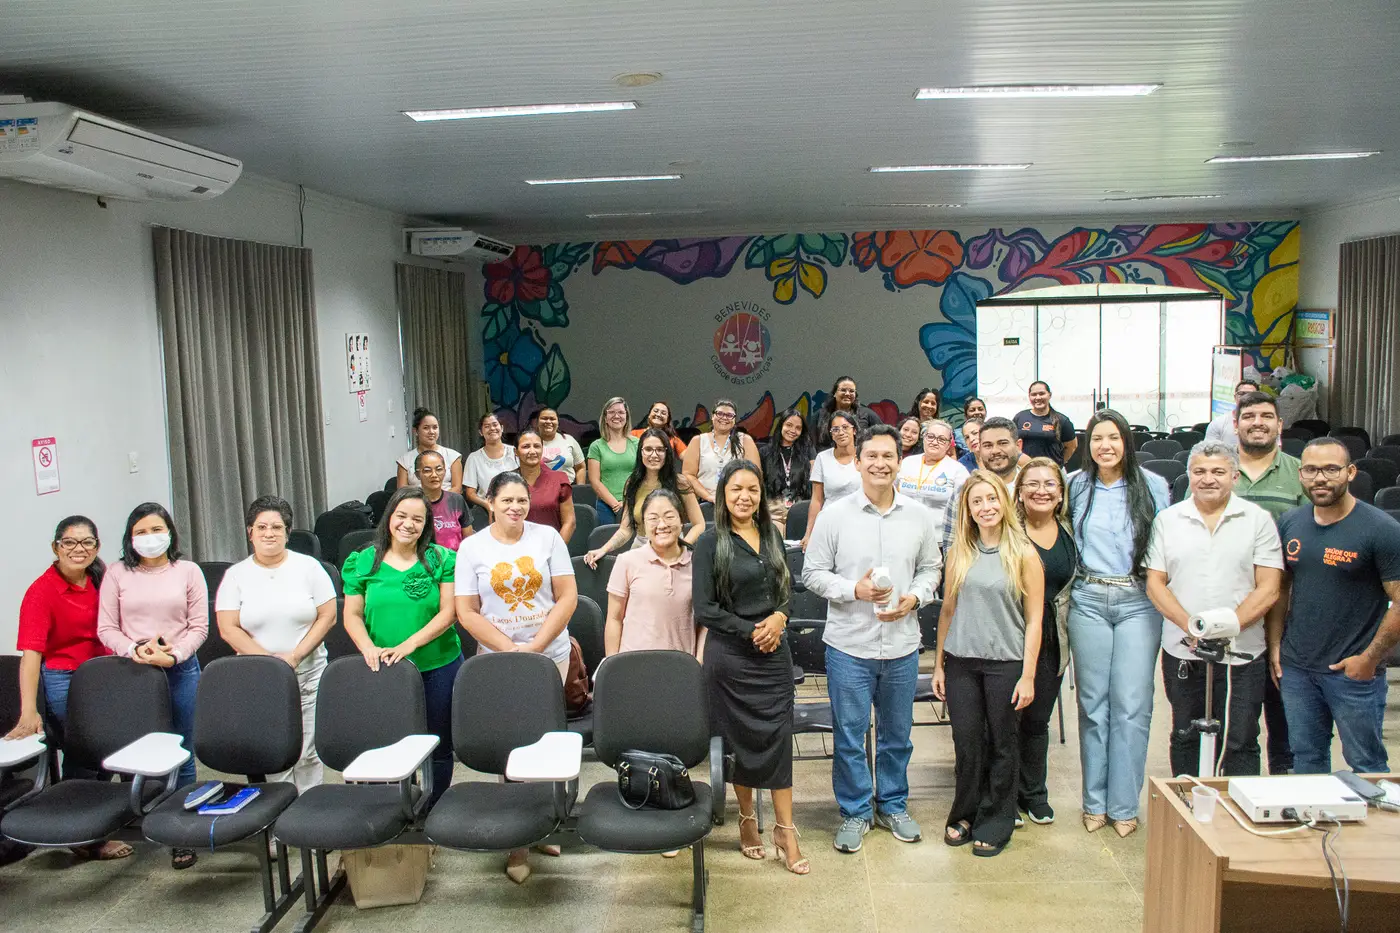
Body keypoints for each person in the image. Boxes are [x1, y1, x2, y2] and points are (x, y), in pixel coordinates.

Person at [803, 424, 941, 853]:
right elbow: (812, 573)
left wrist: (915, 598)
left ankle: (893, 804)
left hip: (902, 646)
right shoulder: (834, 515)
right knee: (849, 736)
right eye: (872, 456)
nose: (880, 464)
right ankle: (856, 811)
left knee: (897, 736)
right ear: (858, 462)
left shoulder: (918, 516)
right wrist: (853, 591)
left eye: (888, 456)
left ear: (900, 462)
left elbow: (931, 569)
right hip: (850, 646)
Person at [455, 471, 577, 884]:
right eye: (506, 500)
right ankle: (517, 843)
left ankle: (547, 824)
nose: (515, 507)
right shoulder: (472, 547)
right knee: (511, 747)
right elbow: (467, 611)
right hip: (498, 660)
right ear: (489, 502)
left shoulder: (548, 538)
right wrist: (511, 651)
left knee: (546, 742)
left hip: (550, 655)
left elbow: (567, 597)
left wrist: (537, 647)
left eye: (521, 500)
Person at [693, 460, 806, 874]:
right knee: (739, 741)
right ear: (722, 495)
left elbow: (786, 590)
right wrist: (752, 630)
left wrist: (780, 618)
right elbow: (704, 609)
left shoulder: (772, 534)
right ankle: (746, 819)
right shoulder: (710, 542)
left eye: (753, 490)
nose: (745, 497)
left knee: (778, 739)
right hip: (732, 658)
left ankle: (785, 830)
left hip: (774, 655)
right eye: (736, 489)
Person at [1144, 442, 1283, 778]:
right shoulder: (1168, 520)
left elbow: (1269, 587)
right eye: (1200, 471)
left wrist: (1226, 627)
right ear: (1189, 476)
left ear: (1234, 476)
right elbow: (1155, 584)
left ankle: (1235, 809)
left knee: (1240, 738)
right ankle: (1187, 805)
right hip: (1184, 650)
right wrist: (1193, 628)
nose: (1208, 479)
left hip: (1242, 651)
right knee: (1186, 735)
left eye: (1218, 472)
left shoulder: (1257, 520)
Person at [1066, 410, 1170, 836]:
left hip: (1138, 601)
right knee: (1092, 705)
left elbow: (1165, 546)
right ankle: (1094, 802)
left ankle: (1124, 805)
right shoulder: (1075, 485)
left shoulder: (1153, 485)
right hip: (1088, 599)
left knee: (1132, 704)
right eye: (1096, 438)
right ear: (1087, 444)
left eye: (1113, 437)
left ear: (1126, 442)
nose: (1104, 446)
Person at [1269, 438, 1400, 774]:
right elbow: (1281, 589)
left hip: (1353, 673)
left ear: (1350, 472)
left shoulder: (1381, 530)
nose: (1320, 478)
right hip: (1297, 670)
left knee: (1367, 765)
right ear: (1301, 474)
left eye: (1331, 469)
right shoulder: (1290, 523)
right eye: (1311, 470)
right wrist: (1275, 646)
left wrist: (1369, 659)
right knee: (1306, 760)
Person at [932, 471, 1044, 857]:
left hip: (1006, 662)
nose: (985, 507)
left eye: (992, 499)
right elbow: (948, 610)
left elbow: (1035, 620)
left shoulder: (1024, 554)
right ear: (968, 509)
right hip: (962, 661)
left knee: (1002, 743)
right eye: (977, 501)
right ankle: (965, 813)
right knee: (967, 743)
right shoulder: (959, 552)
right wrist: (939, 664)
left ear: (1004, 502)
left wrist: (1028, 675)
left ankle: (996, 818)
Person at [9, 516, 129, 861]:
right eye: (70, 542)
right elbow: (31, 657)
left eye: (87, 542)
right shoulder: (41, 591)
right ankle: (81, 833)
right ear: (56, 547)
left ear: (97, 546)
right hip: (66, 680)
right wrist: (29, 710)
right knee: (85, 751)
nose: (79, 549)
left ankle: (95, 822)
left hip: (106, 675)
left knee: (107, 749)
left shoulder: (101, 579)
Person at [97, 502, 207, 870]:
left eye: (156, 530)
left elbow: (199, 626)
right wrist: (135, 649)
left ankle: (182, 832)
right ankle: (146, 818)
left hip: (180, 668)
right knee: (141, 748)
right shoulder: (117, 574)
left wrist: (174, 655)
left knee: (182, 749)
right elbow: (106, 627)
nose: (149, 537)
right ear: (130, 538)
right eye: (141, 532)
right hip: (135, 673)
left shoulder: (188, 571)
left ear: (170, 533)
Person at [341, 487, 460, 810]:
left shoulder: (441, 559)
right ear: (389, 517)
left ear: (426, 525)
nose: (408, 524)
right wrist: (367, 647)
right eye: (402, 516)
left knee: (438, 743)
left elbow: (449, 613)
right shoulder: (363, 561)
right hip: (383, 667)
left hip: (438, 664)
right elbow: (352, 614)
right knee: (387, 741)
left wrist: (409, 645)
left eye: (417, 519)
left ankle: (433, 809)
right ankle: (394, 809)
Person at [215, 496, 338, 794]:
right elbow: (228, 628)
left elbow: (328, 616)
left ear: (287, 532)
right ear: (250, 532)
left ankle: (308, 814)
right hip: (260, 677)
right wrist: (272, 663)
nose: (269, 533)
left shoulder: (309, 568)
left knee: (308, 754)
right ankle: (278, 813)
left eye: (276, 527)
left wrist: (295, 656)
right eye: (261, 527)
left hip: (308, 673)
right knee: (274, 753)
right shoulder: (236, 575)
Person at [1231, 391, 1306, 775]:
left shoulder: (1300, 472)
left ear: (1279, 424)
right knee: (1237, 718)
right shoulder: (1219, 471)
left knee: (1284, 711)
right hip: (1230, 610)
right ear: (1235, 425)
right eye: (1249, 416)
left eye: (1265, 416)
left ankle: (1283, 786)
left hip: (1287, 609)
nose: (1257, 423)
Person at [1013, 459, 1077, 826]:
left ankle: (1034, 793)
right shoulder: (1008, 530)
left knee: (1038, 720)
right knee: (1006, 720)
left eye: (1050, 484)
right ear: (1019, 492)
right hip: (1011, 635)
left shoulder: (1069, 530)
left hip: (1054, 636)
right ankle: (1004, 795)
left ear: (1061, 493)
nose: (1041, 490)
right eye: (1032, 484)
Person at [585, 428, 705, 566]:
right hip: (641, 550)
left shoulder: (680, 483)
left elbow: (699, 524)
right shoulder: (632, 483)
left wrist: (681, 547)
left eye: (660, 450)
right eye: (648, 449)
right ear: (640, 452)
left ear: (667, 453)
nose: (654, 455)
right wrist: (603, 549)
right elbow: (625, 529)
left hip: (673, 551)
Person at [605, 488, 699, 656]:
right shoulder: (627, 561)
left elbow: (705, 624)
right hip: (634, 663)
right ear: (644, 524)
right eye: (653, 518)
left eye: (669, 517)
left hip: (681, 665)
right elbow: (614, 619)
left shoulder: (698, 564)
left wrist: (697, 663)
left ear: (681, 520)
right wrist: (612, 663)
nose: (661, 525)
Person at [942, 416, 1025, 555]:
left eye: (1003, 443)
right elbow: (951, 546)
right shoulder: (964, 492)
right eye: (987, 445)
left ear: (1018, 446)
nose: (995, 451)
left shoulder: (1034, 488)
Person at [897, 419, 969, 541]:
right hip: (905, 536)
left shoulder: (958, 470)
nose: (935, 442)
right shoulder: (907, 463)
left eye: (941, 439)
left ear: (948, 445)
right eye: (930, 437)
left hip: (940, 540)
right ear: (923, 438)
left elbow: (965, 508)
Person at [800, 410, 861, 550]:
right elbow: (817, 499)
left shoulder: (866, 455)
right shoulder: (822, 458)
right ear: (831, 434)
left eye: (845, 427)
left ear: (854, 430)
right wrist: (809, 534)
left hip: (860, 523)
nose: (841, 432)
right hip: (830, 524)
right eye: (835, 429)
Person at [683, 398, 762, 504]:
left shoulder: (745, 440)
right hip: (705, 502)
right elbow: (688, 475)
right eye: (720, 413)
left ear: (734, 420)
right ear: (712, 416)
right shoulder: (698, 441)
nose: (724, 418)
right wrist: (709, 497)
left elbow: (755, 474)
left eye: (729, 415)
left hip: (737, 502)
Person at [516, 428, 576, 543]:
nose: (532, 451)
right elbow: (498, 523)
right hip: (515, 549)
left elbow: (569, 522)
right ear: (516, 451)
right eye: (526, 446)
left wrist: (555, 549)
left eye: (537, 446)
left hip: (552, 547)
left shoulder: (559, 479)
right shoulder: (505, 483)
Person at [587, 396, 639, 524]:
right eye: (611, 412)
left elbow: (641, 475)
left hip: (635, 502)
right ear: (605, 418)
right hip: (606, 506)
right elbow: (594, 480)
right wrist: (615, 505)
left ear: (627, 417)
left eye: (621, 412)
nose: (616, 416)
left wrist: (627, 502)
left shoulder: (637, 443)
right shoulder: (596, 446)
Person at [760, 408, 814, 530]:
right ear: (781, 425)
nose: (793, 431)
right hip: (772, 511)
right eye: (789, 425)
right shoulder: (765, 452)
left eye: (798, 428)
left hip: (799, 511)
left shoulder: (807, 452)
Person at [463, 413, 519, 517]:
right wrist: (487, 504)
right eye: (487, 426)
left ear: (502, 428)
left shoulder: (515, 452)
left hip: (516, 505)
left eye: (495, 424)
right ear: (480, 432)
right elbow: (470, 493)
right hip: (486, 509)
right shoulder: (474, 458)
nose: (492, 428)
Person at [417, 449, 472, 551]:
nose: (434, 475)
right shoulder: (413, 503)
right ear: (417, 474)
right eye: (427, 470)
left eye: (439, 469)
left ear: (445, 472)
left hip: (455, 558)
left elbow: (469, 540)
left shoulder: (456, 501)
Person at [397, 407, 463, 492]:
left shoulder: (453, 456)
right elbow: (402, 492)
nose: (431, 432)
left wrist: (439, 498)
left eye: (435, 427)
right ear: (416, 431)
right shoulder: (404, 460)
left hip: (447, 499)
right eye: (426, 428)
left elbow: (457, 488)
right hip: (416, 499)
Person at [1014, 381, 1077, 467]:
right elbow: (1012, 443)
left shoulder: (1062, 420)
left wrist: (1058, 464)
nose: (1038, 397)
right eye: (1034, 394)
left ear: (1049, 395)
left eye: (1042, 393)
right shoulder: (1020, 417)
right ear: (1029, 397)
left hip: (1052, 470)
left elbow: (1071, 446)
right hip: (1025, 469)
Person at [810, 376, 880, 449]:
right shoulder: (820, 415)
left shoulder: (867, 414)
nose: (847, 393)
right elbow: (809, 442)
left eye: (851, 391)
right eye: (843, 390)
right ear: (834, 393)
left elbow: (883, 437)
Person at [1205, 380, 1262, 449]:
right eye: (1242, 394)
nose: (1246, 397)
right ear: (1235, 397)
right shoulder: (1218, 423)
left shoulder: (1264, 424)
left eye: (1251, 394)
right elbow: (1208, 452)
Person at [535, 407, 586, 484]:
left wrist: (580, 488)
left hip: (567, 488)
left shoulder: (569, 440)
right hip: (539, 488)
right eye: (544, 418)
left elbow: (580, 467)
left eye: (552, 419)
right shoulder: (530, 441)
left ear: (558, 423)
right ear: (537, 422)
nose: (548, 421)